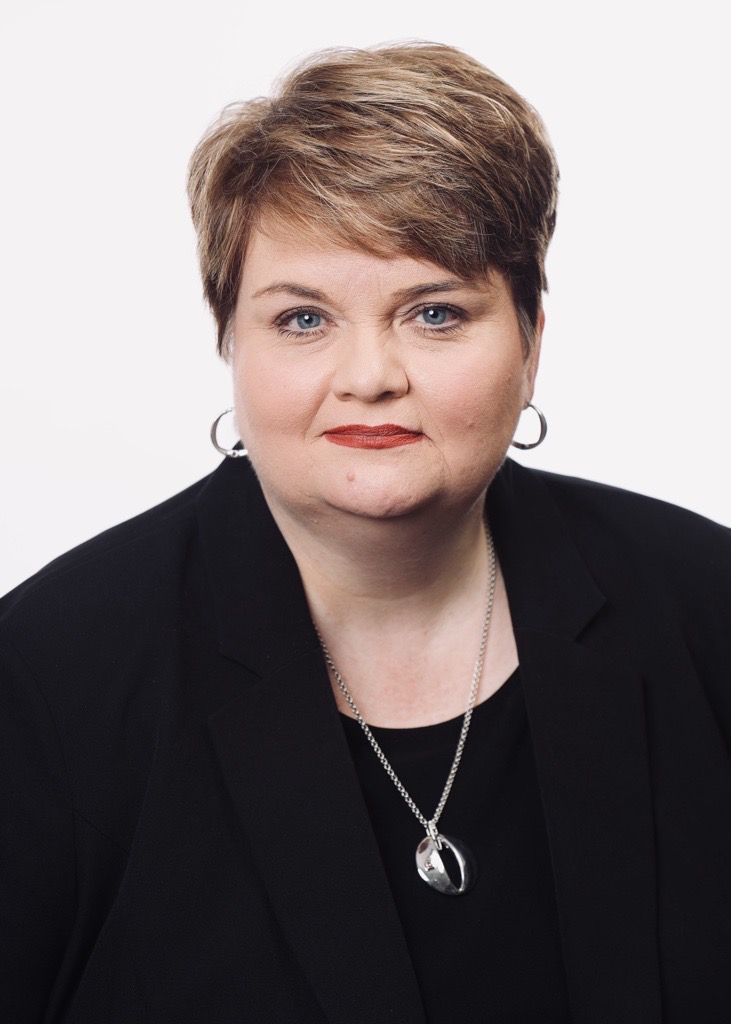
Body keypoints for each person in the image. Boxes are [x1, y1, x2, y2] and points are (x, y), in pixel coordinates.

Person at [1, 41, 730, 1024]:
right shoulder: (43, 681)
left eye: (433, 312)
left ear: (529, 340)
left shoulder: (704, 605)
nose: (369, 375)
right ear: (229, 341)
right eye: (302, 320)